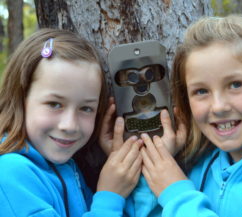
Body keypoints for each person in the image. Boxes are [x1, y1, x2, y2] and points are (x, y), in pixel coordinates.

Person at [123, 15, 242, 216]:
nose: (218, 107)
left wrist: (176, 194)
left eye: (235, 85)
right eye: (201, 91)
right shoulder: (201, 164)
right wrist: (158, 163)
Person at [0, 28, 143, 217]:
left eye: (86, 108)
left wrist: (128, 171)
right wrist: (110, 196)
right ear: (21, 98)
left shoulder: (66, 168)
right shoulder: (10, 174)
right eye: (54, 104)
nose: (70, 125)